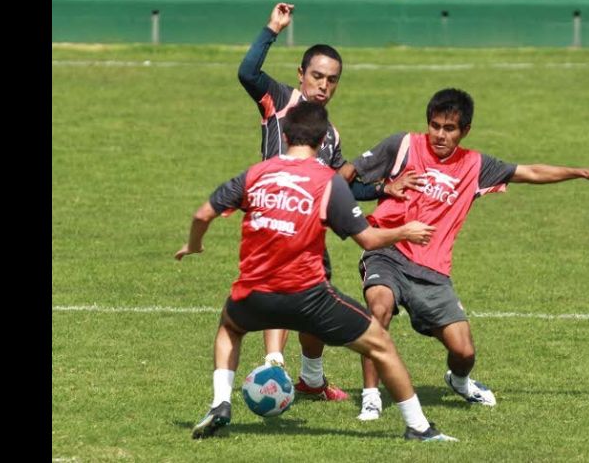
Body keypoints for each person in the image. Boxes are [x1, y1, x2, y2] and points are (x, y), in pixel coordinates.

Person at [177, 102, 456, 442]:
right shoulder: (328, 182)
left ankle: (220, 402)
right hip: (309, 299)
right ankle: (420, 427)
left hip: (253, 296)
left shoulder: (255, 174)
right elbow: (367, 239)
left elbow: (202, 214)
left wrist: (193, 245)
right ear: (324, 139)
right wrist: (403, 232)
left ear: (284, 134)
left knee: (230, 327)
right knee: (380, 344)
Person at [346, 88, 589, 421]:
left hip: (432, 270)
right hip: (387, 250)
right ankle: (371, 396)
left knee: (463, 351)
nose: (440, 135)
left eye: (449, 129)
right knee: (380, 306)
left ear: (465, 131)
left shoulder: (475, 165)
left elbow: (529, 172)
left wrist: (578, 171)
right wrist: (381, 189)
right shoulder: (401, 145)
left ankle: (459, 381)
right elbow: (344, 179)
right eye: (435, 126)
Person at [237, 2, 421, 400]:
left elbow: (339, 186)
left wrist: (380, 190)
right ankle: (274, 365)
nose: (323, 85)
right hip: (276, 219)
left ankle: (311, 379)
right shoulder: (279, 99)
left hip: (311, 228)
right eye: (317, 76)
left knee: (312, 298)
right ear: (301, 75)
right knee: (285, 293)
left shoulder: (330, 135)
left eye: (332, 80)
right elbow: (246, 73)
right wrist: (272, 28)